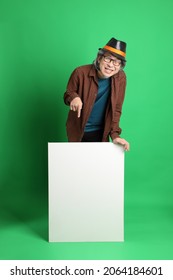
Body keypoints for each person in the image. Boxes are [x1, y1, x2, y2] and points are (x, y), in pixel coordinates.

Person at [64, 37, 130, 151]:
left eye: (117, 62)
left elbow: (117, 109)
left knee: (98, 168)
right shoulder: (80, 72)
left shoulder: (121, 78)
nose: (111, 65)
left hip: (101, 132)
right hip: (78, 131)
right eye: (108, 59)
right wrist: (74, 97)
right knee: (77, 167)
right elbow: (68, 94)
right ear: (99, 58)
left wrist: (115, 135)